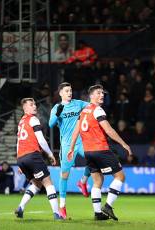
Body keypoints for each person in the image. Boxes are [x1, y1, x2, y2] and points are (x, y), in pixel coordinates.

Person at [68, 84, 133, 221]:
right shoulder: (98, 110)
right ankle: (108, 206)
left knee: (97, 181)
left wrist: (71, 148)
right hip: (101, 149)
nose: (101, 95)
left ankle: (98, 213)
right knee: (120, 176)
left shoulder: (84, 111)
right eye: (98, 93)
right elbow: (109, 130)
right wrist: (123, 143)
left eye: (102, 93)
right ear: (91, 96)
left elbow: (76, 131)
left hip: (88, 152)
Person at [14, 98, 63, 220]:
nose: (34, 106)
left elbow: (18, 142)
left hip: (21, 158)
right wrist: (50, 154)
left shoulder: (21, 122)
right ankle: (57, 214)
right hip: (32, 155)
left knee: (36, 184)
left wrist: (19, 162)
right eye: (31, 105)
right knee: (48, 183)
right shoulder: (33, 119)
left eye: (35, 104)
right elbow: (41, 140)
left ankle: (21, 207)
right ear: (25, 108)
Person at [48, 82, 91, 218]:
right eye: (67, 91)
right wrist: (58, 114)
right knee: (64, 176)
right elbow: (50, 124)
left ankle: (83, 181)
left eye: (71, 90)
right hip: (67, 145)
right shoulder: (57, 107)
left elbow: (92, 107)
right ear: (60, 93)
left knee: (94, 158)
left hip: (81, 141)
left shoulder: (78, 103)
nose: (70, 93)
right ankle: (62, 207)